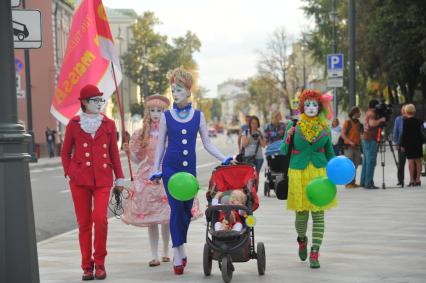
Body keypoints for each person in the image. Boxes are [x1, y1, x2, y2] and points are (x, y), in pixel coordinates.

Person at [149, 68, 234, 275]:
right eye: (172, 89)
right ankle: (179, 251)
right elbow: (160, 145)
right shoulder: (167, 116)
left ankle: (180, 245)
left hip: (189, 171)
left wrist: (223, 158)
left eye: (178, 89)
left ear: (188, 91)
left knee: (187, 211)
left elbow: (207, 143)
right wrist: (155, 168)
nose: (174, 93)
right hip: (171, 169)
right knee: (176, 209)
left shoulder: (198, 115)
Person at [61, 84, 125, 281]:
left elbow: (114, 152)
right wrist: (69, 172)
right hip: (79, 180)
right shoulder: (74, 123)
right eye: (96, 100)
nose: (100, 104)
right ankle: (87, 266)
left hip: (103, 179)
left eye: (101, 100)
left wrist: (120, 176)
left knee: (100, 219)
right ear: (85, 102)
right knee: (84, 224)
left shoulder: (108, 124)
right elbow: (65, 152)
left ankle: (100, 263)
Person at [280, 89, 336, 269]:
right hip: (298, 173)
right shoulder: (293, 126)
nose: (311, 108)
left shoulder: (325, 128)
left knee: (319, 214)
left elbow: (330, 154)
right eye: (308, 104)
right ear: (302, 107)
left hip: (319, 173)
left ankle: (315, 251)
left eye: (314, 104)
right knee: (302, 216)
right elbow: (282, 151)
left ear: (319, 107)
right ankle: (302, 239)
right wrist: (288, 138)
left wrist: (336, 171)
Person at [121, 94, 172, 267]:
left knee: (166, 217)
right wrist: (130, 152)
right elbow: (137, 159)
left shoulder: (170, 132)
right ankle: (153, 255)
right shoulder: (142, 134)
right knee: (151, 218)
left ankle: (166, 251)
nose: (156, 114)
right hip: (149, 175)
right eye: (152, 110)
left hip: (167, 175)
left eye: (159, 110)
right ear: (148, 112)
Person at [360, 99, 386, 189]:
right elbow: (372, 123)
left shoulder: (368, 112)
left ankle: (363, 182)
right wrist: (381, 120)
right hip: (370, 139)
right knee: (371, 162)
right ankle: (369, 183)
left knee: (366, 162)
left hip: (366, 138)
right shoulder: (372, 114)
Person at [400, 104, 423, 187]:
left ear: (406, 111)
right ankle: (418, 179)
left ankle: (411, 180)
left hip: (409, 144)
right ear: (414, 111)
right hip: (417, 143)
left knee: (410, 163)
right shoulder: (419, 121)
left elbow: (404, 134)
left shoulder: (405, 122)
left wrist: (402, 145)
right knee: (418, 161)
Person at [341, 107, 363, 188]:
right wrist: (350, 142)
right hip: (349, 147)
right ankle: (348, 183)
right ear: (355, 113)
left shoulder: (359, 123)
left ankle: (353, 182)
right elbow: (343, 134)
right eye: (359, 112)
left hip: (357, 147)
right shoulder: (348, 122)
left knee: (355, 165)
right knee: (349, 165)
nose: (360, 114)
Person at [393, 105, 407, 187]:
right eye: (403, 110)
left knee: (413, 163)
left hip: (411, 144)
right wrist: (396, 143)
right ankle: (400, 180)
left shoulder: (411, 119)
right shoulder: (398, 119)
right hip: (400, 143)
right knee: (401, 163)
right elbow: (395, 131)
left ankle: (415, 179)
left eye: (405, 110)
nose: (404, 111)